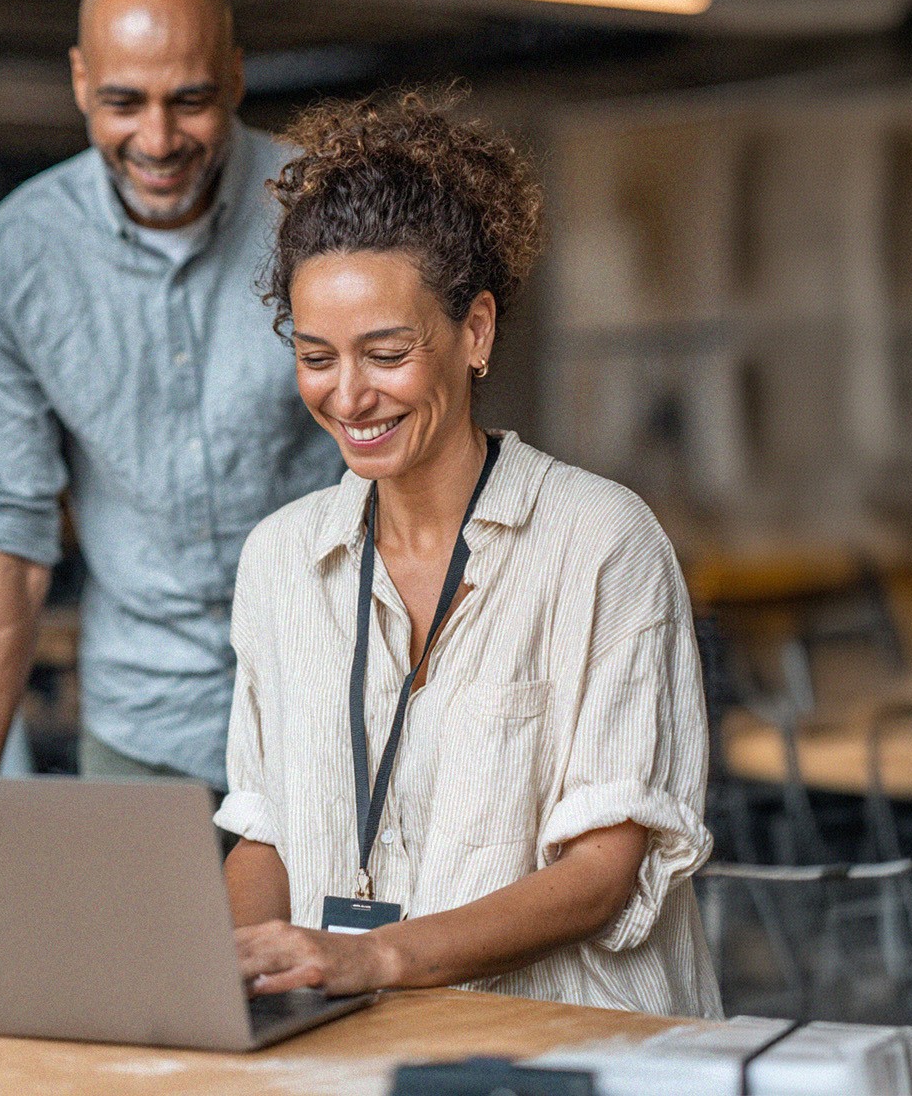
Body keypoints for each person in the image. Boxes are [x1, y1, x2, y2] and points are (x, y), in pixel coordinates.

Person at [216, 90, 721, 1016]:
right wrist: (233, 964)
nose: (349, 396)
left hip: (577, 1048)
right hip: (360, 1049)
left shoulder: (601, 542)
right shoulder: (278, 563)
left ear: (475, 331)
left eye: (386, 352)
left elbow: (604, 870)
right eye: (317, 355)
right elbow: (265, 834)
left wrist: (374, 958)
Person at [0, 0, 342, 784]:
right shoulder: (18, 259)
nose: (157, 141)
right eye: (123, 102)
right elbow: (12, 539)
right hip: (141, 724)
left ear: (234, 80)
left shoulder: (327, 217)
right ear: (81, 80)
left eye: (189, 101)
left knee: (316, 923)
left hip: (335, 704)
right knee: (134, 923)